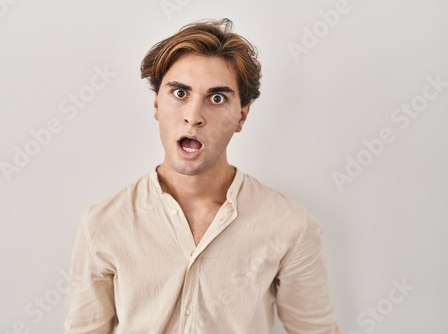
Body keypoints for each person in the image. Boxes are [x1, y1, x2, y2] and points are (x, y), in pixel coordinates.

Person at [64, 18, 342, 334]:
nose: (194, 116)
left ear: (242, 115)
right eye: (180, 92)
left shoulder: (289, 224)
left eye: (217, 98)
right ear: (157, 103)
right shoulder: (103, 223)